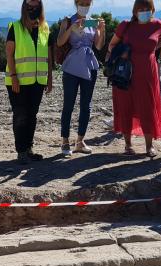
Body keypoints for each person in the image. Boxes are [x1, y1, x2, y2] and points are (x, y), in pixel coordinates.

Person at [108, 0, 161, 157]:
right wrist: (122, 53)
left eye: (147, 8)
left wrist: (157, 55)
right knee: (125, 106)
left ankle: (149, 146)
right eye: (140, 9)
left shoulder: (158, 25)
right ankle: (128, 145)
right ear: (135, 11)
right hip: (125, 74)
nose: (144, 11)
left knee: (147, 107)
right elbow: (111, 45)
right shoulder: (125, 25)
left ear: (153, 9)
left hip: (148, 73)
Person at [5, 0, 54, 164]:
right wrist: (13, 76)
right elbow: (9, 54)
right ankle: (21, 151)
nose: (33, 8)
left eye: (36, 5)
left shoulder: (45, 28)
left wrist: (49, 78)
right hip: (18, 81)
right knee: (20, 116)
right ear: (24, 7)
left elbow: (48, 55)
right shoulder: (15, 27)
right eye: (30, 5)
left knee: (32, 116)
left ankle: (28, 149)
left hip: (38, 81)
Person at [57, 0, 105, 157]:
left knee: (86, 104)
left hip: (89, 64)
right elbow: (59, 42)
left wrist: (101, 30)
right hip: (72, 65)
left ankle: (80, 141)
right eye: (82, 2)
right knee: (68, 104)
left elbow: (98, 46)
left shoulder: (93, 21)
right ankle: (65, 141)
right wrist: (72, 27)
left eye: (87, 3)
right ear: (76, 3)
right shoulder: (67, 20)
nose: (85, 5)